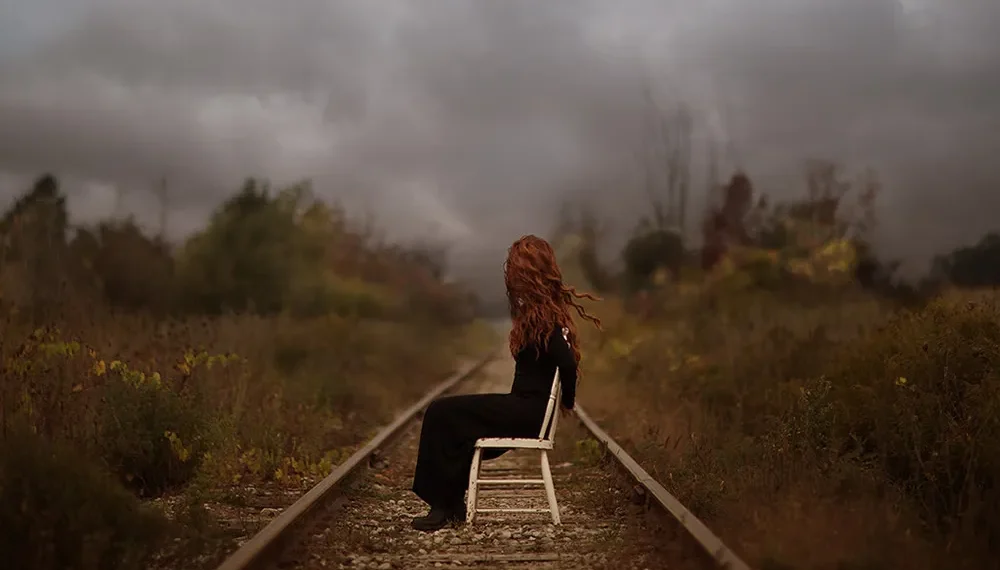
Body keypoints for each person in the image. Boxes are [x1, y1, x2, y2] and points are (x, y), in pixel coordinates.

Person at [410, 234, 601, 532]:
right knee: (452, 419)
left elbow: (566, 362)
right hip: (524, 409)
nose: (511, 278)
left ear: (528, 274)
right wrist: (563, 401)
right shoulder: (543, 314)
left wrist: (567, 401)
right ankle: (449, 502)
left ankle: (441, 505)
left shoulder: (546, 319)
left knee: (440, 412)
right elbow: (564, 362)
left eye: (515, 271)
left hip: (526, 412)